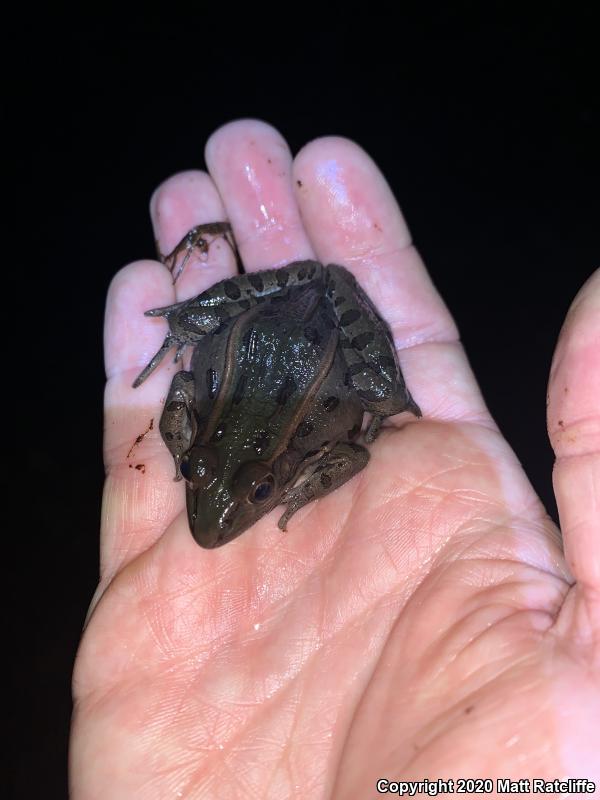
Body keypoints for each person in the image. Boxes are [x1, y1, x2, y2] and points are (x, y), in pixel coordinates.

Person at [69, 119, 600, 797]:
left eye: (259, 492)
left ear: (274, 477)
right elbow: (225, 410)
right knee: (339, 388)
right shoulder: (211, 448)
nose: (212, 510)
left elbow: (342, 450)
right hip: (268, 335)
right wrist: (215, 457)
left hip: (303, 337)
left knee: (379, 390)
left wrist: (280, 473)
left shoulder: (259, 455)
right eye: (196, 471)